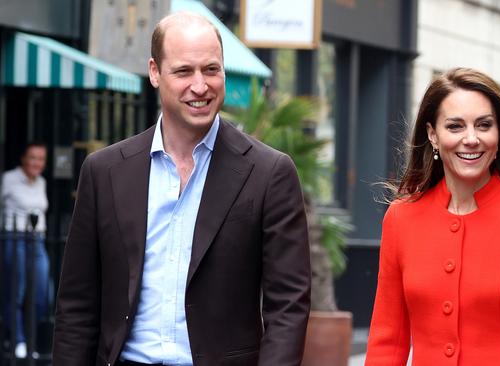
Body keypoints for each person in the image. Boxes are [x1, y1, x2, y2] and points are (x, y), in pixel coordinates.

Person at [52, 12, 310, 366]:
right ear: (155, 72)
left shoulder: (269, 173)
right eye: (184, 71)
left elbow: (288, 308)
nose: (200, 85)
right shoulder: (104, 171)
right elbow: (76, 307)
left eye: (211, 69)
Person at [365, 68, 500, 365]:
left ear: (499, 134)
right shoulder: (401, 218)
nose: (471, 138)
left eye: (484, 125)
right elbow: (386, 341)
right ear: (432, 135)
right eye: (455, 127)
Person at [2, 142, 50, 359]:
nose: (36, 163)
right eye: (32, 157)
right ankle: (18, 340)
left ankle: (29, 339)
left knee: (42, 293)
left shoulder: (41, 182)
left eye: (40, 159)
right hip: (15, 238)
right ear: (23, 158)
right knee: (17, 291)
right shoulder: (9, 179)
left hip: (37, 240)